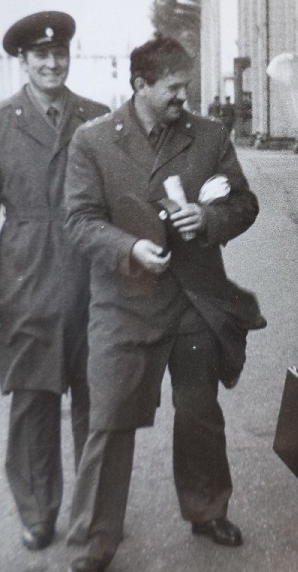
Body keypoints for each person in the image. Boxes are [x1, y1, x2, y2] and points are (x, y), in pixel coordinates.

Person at [64, 34, 262, 572]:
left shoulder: (209, 135)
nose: (183, 97)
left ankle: (207, 509)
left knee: (199, 411)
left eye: (186, 86)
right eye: (173, 88)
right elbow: (79, 221)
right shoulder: (93, 141)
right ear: (140, 85)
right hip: (123, 303)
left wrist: (209, 219)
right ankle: (95, 539)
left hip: (193, 299)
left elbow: (244, 204)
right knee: (110, 418)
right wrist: (128, 248)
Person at [0, 11, 109, 552]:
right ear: (23, 61)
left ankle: (93, 513)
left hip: (93, 275)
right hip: (26, 276)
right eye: (40, 55)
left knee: (96, 399)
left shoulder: (98, 118)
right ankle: (39, 513)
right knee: (33, 400)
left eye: (59, 53)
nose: (51, 63)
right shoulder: (2, 122)